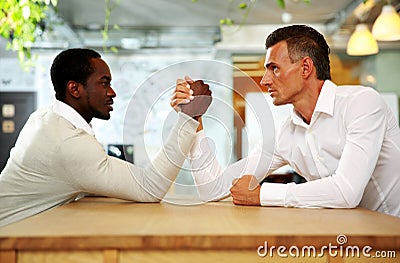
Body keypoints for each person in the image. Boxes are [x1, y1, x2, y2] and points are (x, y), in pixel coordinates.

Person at [171, 25, 400, 217]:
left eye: (274, 69)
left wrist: (262, 195)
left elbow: (347, 192)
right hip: (346, 241)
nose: (265, 80)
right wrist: (194, 118)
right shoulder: (285, 135)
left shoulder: (362, 104)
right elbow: (213, 189)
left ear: (306, 68)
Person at [0, 48, 212, 227]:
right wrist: (189, 117)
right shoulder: (68, 143)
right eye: (104, 83)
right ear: (74, 89)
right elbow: (150, 187)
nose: (112, 92)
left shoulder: (45, 118)